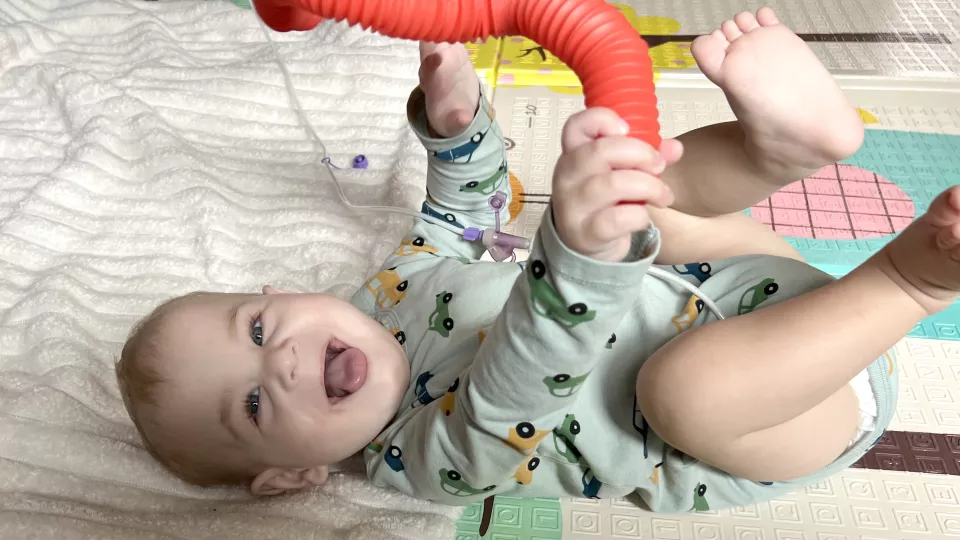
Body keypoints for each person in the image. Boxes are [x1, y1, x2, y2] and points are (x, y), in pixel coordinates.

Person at [116, 8, 950, 512]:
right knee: (679, 389)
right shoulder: (416, 459)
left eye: (260, 327)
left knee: (638, 198)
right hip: (777, 414)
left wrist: (456, 123)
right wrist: (579, 259)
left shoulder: (388, 292)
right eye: (257, 401)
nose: (288, 358)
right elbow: (510, 389)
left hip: (732, 284)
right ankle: (912, 277)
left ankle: (781, 148)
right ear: (293, 475)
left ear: (281, 292)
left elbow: (459, 216)